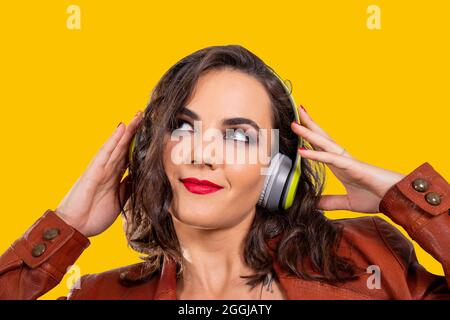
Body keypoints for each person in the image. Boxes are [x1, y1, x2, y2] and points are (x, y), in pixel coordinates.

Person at [0, 45, 448, 300]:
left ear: (277, 171)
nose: (203, 154)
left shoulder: (370, 261)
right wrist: (67, 227)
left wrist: (405, 200)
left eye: (238, 135)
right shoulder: (99, 297)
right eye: (182, 126)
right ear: (153, 153)